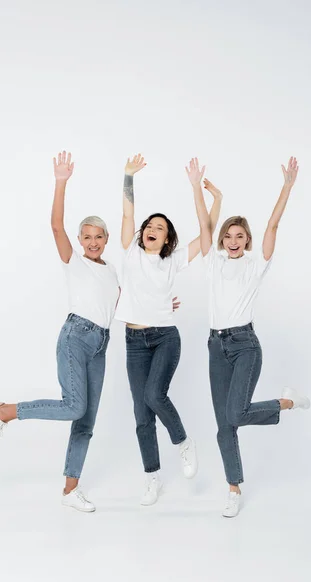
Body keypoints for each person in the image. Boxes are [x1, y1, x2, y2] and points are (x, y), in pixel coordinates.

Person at [0, 151, 120, 513]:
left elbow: (121, 305)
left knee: (86, 419)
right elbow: (56, 227)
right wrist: (61, 183)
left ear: (106, 239)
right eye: (86, 236)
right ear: (80, 239)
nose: (92, 242)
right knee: (74, 407)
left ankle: (71, 490)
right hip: (76, 336)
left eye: (98, 237)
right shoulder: (74, 261)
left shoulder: (111, 272)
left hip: (100, 344)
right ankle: (5, 411)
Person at [187, 156, 310, 518]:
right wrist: (196, 187)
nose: (234, 240)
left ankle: (287, 403)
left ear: (248, 241)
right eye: (229, 235)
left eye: (240, 236)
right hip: (215, 345)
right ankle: (234, 489)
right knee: (225, 427)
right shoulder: (214, 262)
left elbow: (274, 223)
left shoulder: (256, 264)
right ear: (224, 239)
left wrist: (287, 186)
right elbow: (202, 224)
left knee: (236, 413)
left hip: (244, 345)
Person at [115, 154, 221, 506]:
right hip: (133, 340)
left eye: (160, 228)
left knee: (154, 396)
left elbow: (206, 235)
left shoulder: (173, 260)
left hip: (164, 338)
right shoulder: (130, 250)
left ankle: (183, 441)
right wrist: (129, 177)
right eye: (150, 225)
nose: (152, 229)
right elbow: (129, 214)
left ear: (167, 239)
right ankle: (152, 478)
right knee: (141, 414)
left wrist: (207, 196)